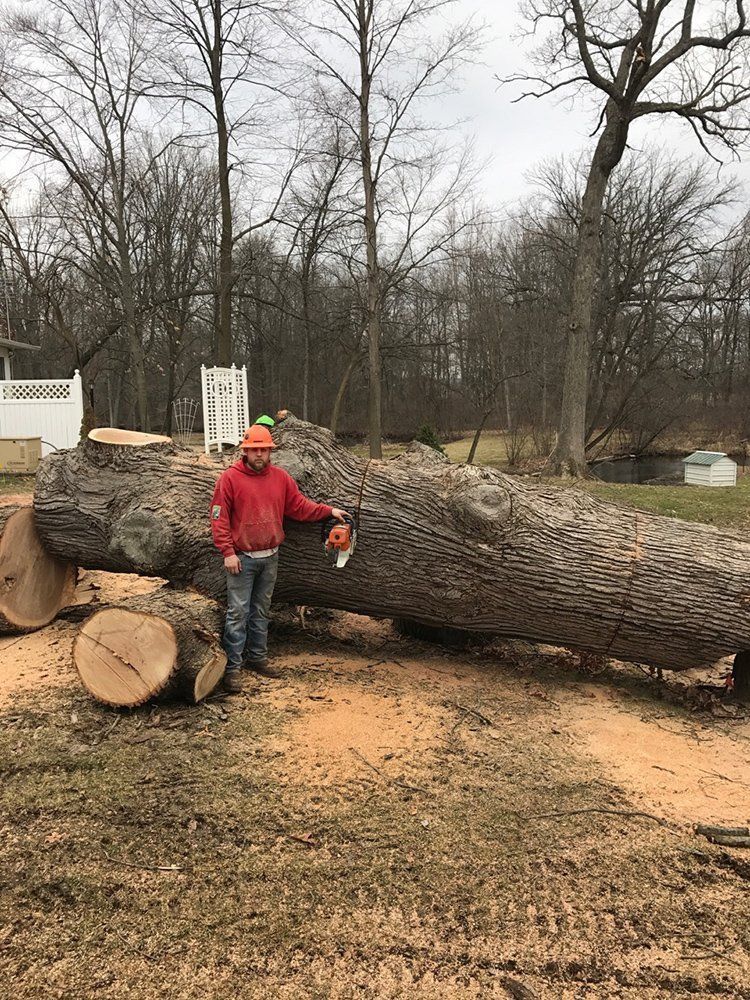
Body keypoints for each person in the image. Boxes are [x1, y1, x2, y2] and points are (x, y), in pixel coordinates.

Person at [210, 423, 348, 693]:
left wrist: (328, 511)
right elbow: (219, 518)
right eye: (254, 450)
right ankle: (233, 668)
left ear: (270, 451)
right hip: (242, 559)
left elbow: (299, 507)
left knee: (261, 611)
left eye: (263, 449)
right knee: (237, 613)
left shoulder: (280, 478)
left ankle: (257, 658)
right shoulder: (230, 479)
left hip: (270, 557)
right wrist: (227, 552)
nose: (259, 454)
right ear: (245, 451)